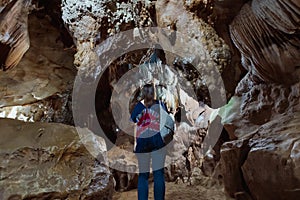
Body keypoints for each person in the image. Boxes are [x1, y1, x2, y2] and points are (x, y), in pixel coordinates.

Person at [130, 83, 167, 200]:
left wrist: (135, 142)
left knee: (143, 175)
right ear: (154, 92)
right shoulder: (160, 105)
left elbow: (134, 124)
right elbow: (166, 121)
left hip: (142, 142)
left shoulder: (138, 107)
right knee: (158, 174)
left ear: (143, 93)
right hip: (157, 141)